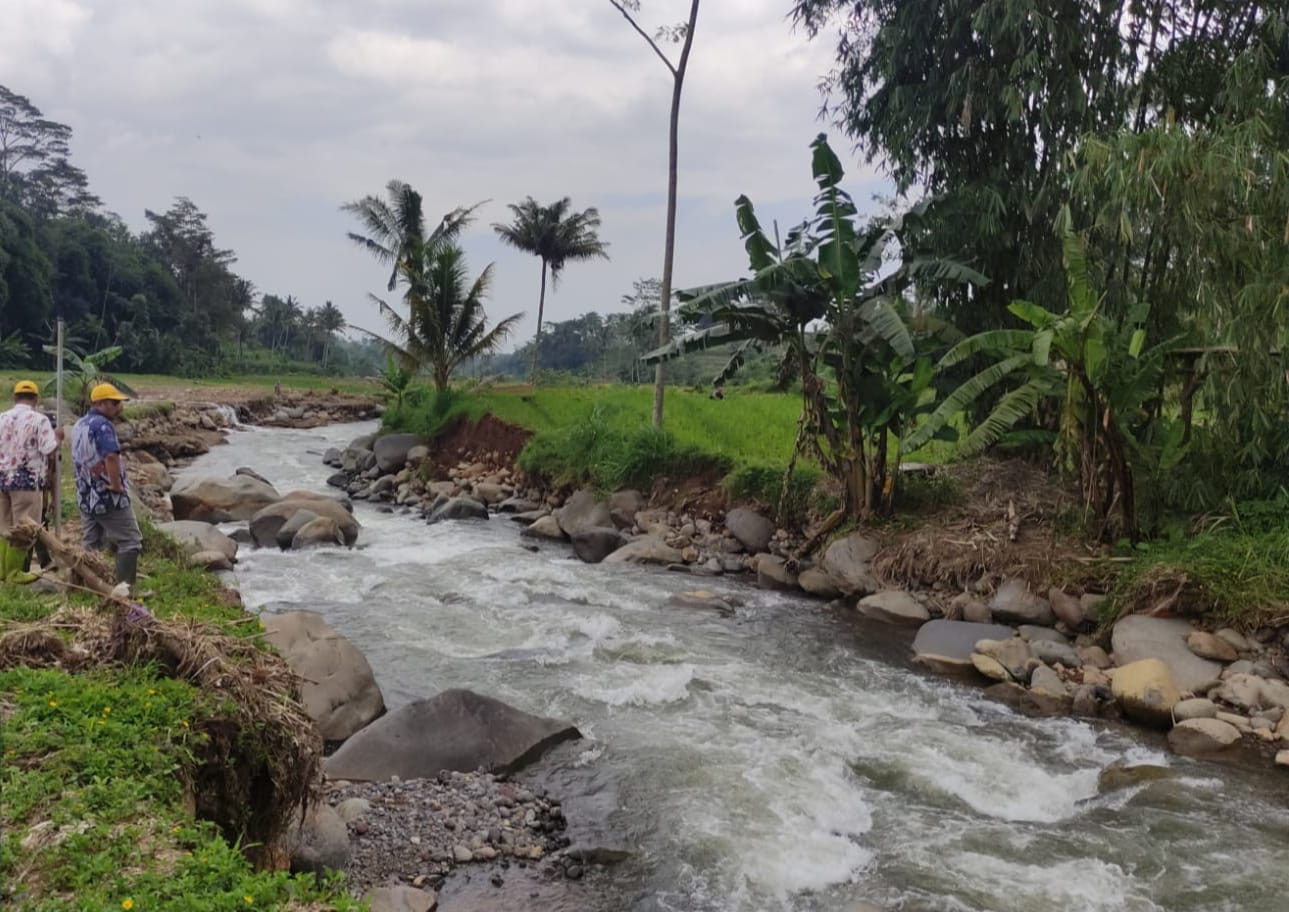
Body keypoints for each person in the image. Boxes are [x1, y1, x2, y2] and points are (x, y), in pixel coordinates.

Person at [72, 382, 142, 590]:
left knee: (92, 544)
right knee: (131, 541)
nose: (118, 407)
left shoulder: (80, 424)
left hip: (85, 494)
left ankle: (87, 585)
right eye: (114, 403)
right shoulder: (103, 425)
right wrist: (116, 485)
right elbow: (111, 455)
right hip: (106, 495)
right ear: (100, 403)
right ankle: (124, 590)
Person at [0, 380, 63, 575]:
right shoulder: (39, 420)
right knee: (25, 530)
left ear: (15, 397)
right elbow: (48, 448)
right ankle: (15, 574)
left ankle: (3, 573)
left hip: (2, 479)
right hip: (26, 482)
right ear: (35, 398)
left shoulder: (1, 418)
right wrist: (58, 437)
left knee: (4, 527)